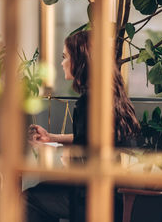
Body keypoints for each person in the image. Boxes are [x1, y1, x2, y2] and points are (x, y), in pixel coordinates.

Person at [24, 30, 140, 222]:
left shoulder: (89, 102)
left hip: (95, 198)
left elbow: (83, 160)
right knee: (41, 190)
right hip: (119, 194)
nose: (62, 63)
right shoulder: (115, 98)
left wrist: (65, 157)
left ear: (81, 61)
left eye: (65, 57)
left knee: (28, 198)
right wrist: (52, 138)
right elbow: (94, 139)